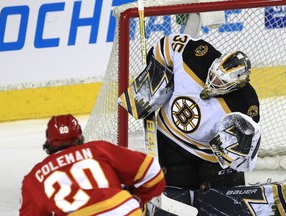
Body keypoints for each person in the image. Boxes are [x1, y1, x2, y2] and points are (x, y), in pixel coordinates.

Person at [144, 33, 263, 215]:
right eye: (214, 74)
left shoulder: (245, 103)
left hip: (209, 158)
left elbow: (241, 152)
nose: (214, 81)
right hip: (167, 141)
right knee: (172, 199)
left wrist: (231, 149)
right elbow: (167, 46)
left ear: (236, 85)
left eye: (221, 82)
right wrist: (153, 74)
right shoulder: (197, 56)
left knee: (221, 203)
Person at [19, 114, 165, 216]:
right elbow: (152, 171)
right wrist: (136, 199)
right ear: (80, 136)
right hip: (124, 211)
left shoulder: (35, 177)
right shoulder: (98, 149)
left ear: (49, 143)